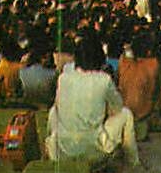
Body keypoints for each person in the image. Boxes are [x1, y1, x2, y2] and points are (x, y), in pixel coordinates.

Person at [47, 34, 136, 165]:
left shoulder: (64, 78)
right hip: (93, 151)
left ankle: (53, 154)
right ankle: (133, 161)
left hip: (63, 151)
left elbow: (58, 107)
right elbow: (118, 108)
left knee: (53, 111)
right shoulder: (104, 79)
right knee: (126, 114)